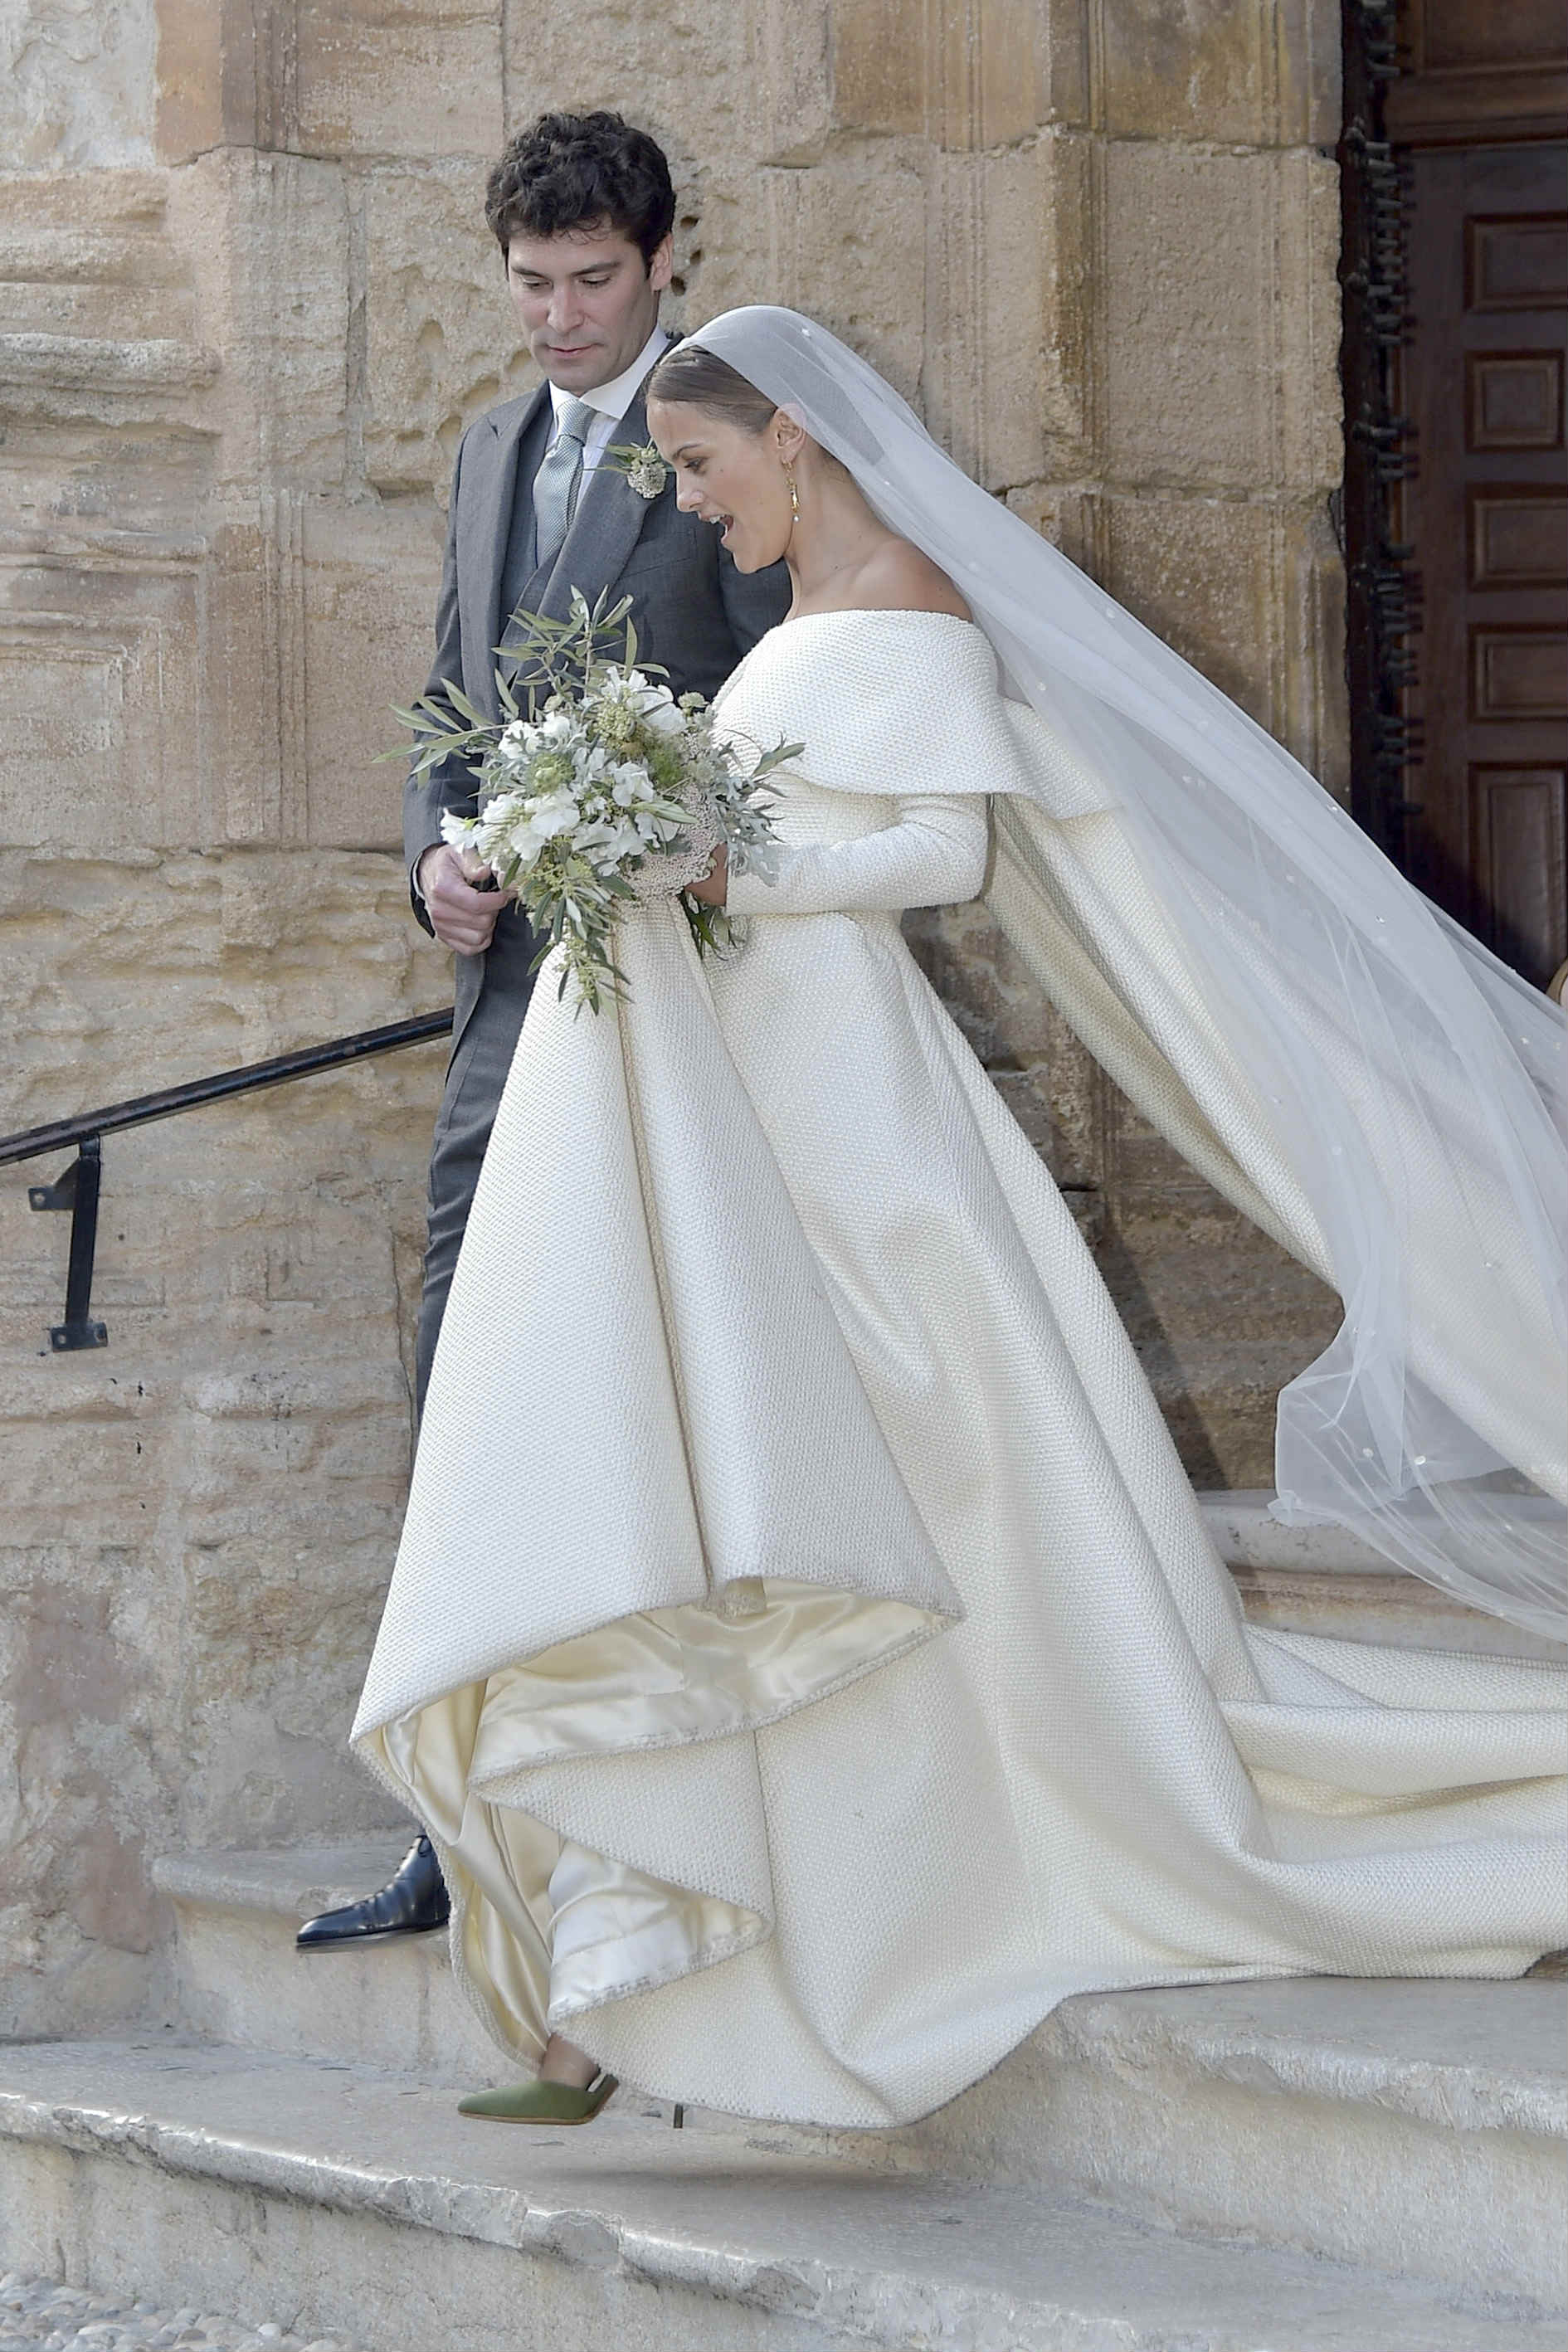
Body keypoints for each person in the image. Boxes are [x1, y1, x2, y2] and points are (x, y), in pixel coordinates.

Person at [350, 307, 1567, 2128]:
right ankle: (640, 1959)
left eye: (701, 466)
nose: (690, 507)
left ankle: (786, 1921)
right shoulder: (791, 620)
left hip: (851, 1109)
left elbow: (943, 856)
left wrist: (729, 864)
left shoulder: (908, 605)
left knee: (900, 1488)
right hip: (748, 1088)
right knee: (746, 1475)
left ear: (798, 442)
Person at [295, 125, 788, 1959]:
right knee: (466, 1363)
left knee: (650, 1383)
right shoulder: (490, 446)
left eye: (596, 281)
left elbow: (780, 701)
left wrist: (645, 834)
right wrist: (434, 848)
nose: (563, 319)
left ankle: (668, 1808)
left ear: (665, 262)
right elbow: (451, 688)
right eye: (533, 283)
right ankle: (462, 1812)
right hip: (506, 1001)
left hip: (679, 996)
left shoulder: (733, 427)